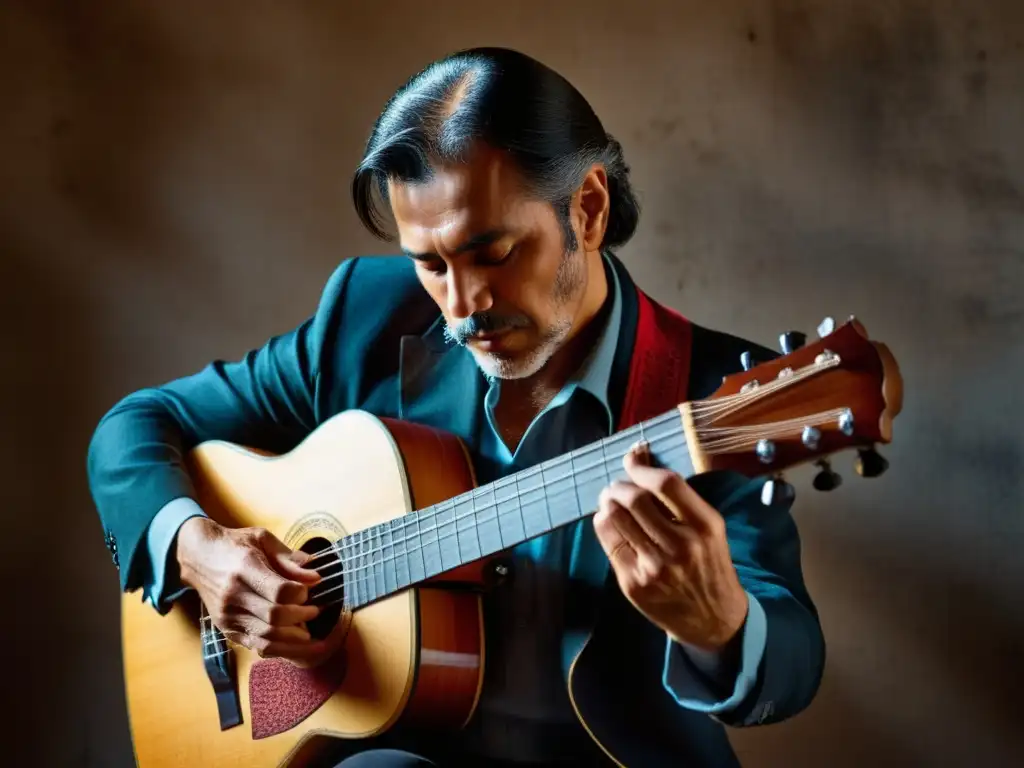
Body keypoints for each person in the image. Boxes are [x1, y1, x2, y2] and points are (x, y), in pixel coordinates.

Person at [87, 47, 825, 767]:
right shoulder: (367, 321)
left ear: (589, 209)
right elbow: (134, 429)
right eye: (431, 264)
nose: (463, 306)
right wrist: (199, 550)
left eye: (495, 253)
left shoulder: (714, 390)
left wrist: (722, 625)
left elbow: (791, 654)